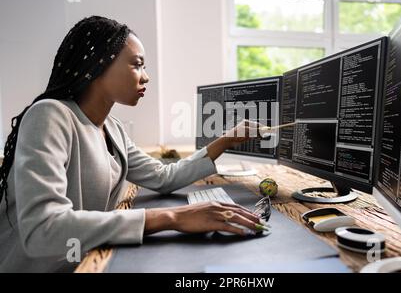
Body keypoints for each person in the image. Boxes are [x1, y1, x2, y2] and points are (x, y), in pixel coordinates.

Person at [0, 16, 263, 272]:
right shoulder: (50, 115)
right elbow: (42, 229)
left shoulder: (113, 128)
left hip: (86, 261)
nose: (145, 77)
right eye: (137, 65)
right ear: (98, 65)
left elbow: (164, 177)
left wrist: (227, 139)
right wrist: (172, 217)